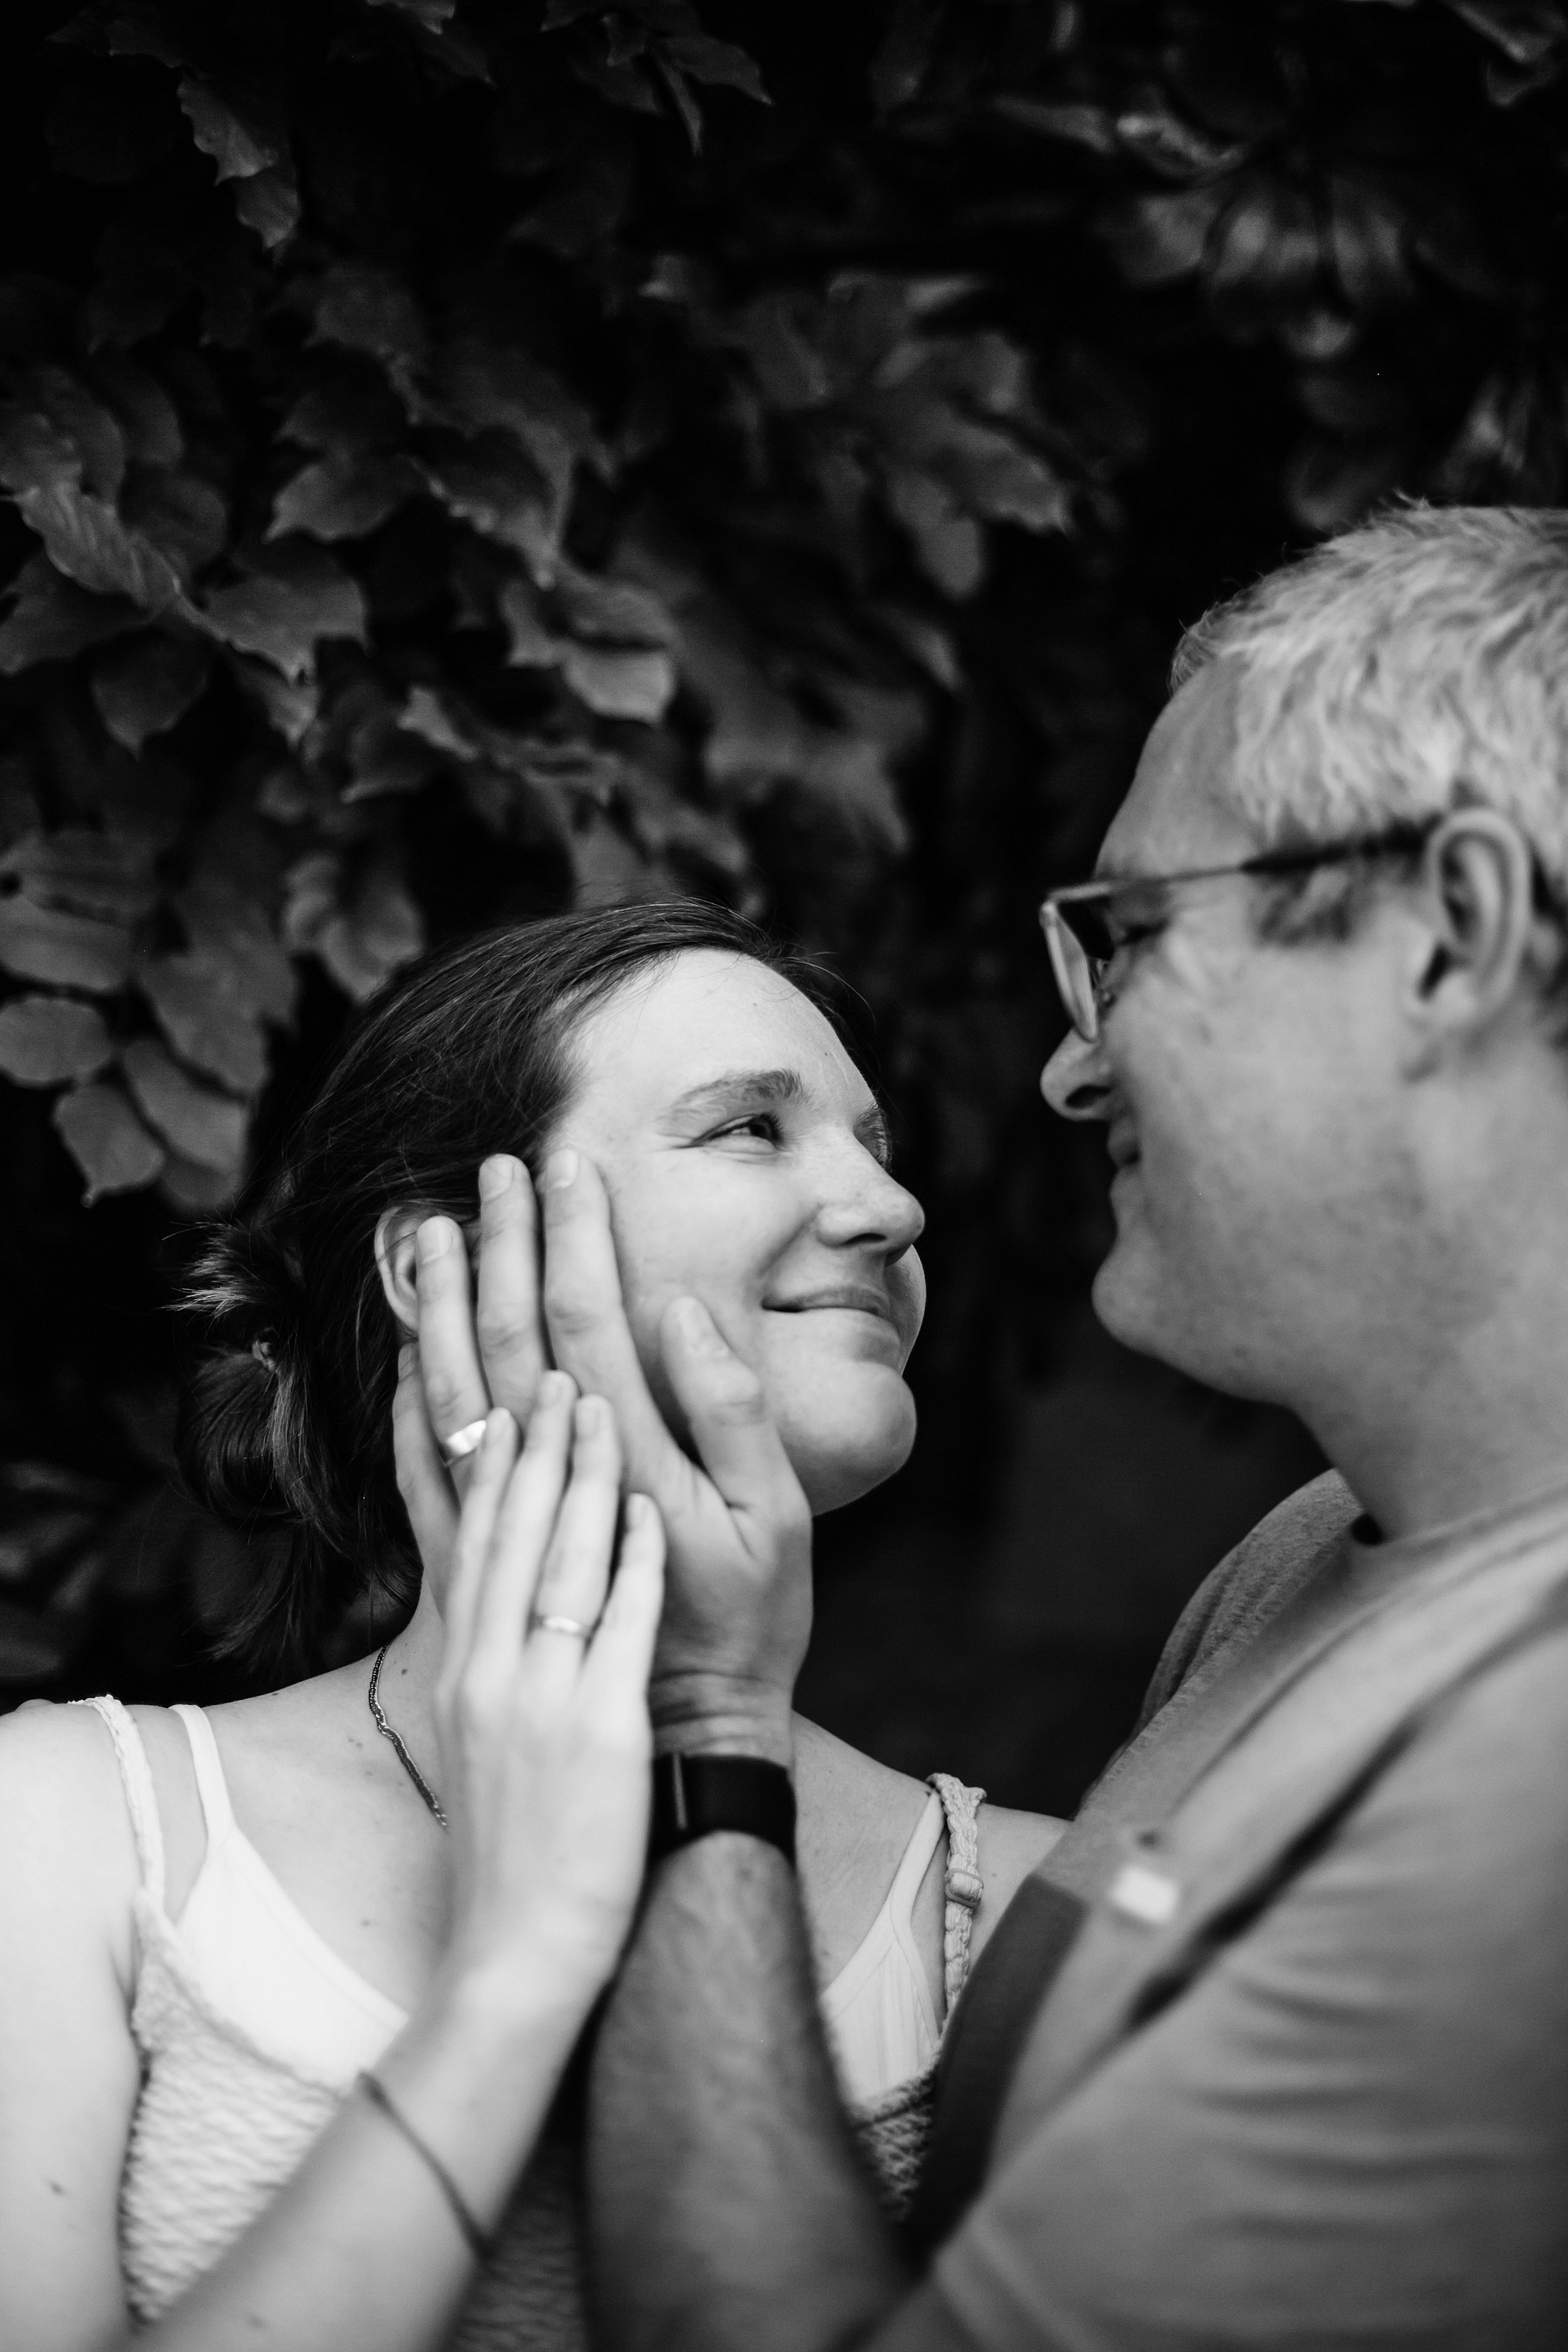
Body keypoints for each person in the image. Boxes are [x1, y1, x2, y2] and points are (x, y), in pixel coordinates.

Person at [498, 505, 1568, 2349]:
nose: (1072, 1065)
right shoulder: (1304, 1559)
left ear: (1450, 932)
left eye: (1130, 939)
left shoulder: (1531, 1782)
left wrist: (709, 1731)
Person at [0, 903, 1051, 2352]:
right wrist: (517, 1968)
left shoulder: (1022, 1914)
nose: (890, 1208)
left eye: (874, 1144)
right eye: (751, 1127)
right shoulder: (69, 1831)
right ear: (440, 1269)